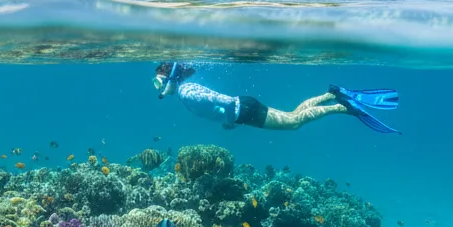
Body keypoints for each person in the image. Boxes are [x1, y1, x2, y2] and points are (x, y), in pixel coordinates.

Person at [153, 62, 400, 134]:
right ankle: (331, 94)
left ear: (170, 78)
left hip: (243, 112)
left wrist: (229, 123)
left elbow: (226, 103)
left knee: (293, 123)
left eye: (159, 82)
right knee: (293, 115)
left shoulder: (186, 92)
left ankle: (342, 107)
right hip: (245, 106)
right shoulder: (188, 89)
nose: (158, 87)